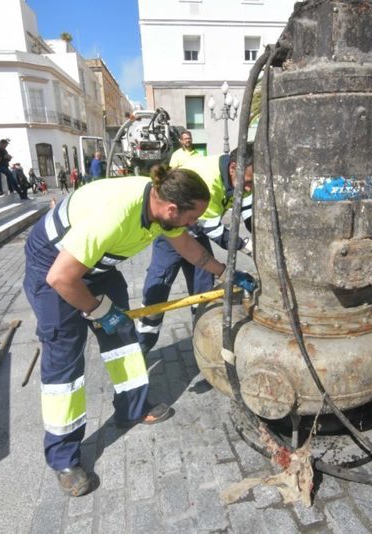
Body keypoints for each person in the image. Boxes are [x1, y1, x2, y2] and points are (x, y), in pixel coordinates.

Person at [22, 165, 256, 496]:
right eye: (191, 219)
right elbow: (61, 279)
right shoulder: (114, 215)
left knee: (123, 342)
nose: (193, 225)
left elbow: (187, 246)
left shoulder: (163, 208)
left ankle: (131, 409)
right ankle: (63, 457)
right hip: (53, 265)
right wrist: (99, 310)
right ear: (172, 210)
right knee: (65, 362)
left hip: (97, 265)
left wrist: (225, 273)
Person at [136, 144, 255, 355]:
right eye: (246, 182)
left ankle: (201, 342)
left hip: (197, 233)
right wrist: (246, 247)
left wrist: (258, 238)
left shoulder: (245, 177)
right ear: (234, 168)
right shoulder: (208, 179)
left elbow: (247, 210)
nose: (248, 188)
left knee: (203, 290)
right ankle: (143, 344)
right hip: (172, 231)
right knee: (158, 285)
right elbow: (212, 228)